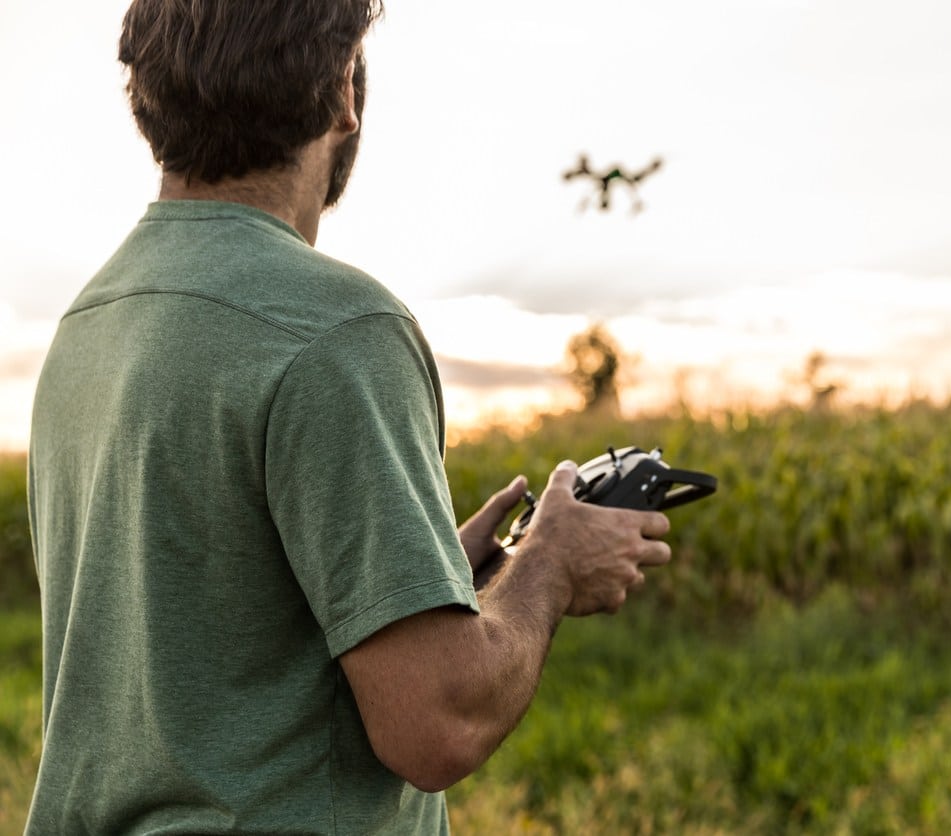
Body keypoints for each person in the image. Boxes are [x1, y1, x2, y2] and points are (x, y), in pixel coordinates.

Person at [24, 1, 671, 833]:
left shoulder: (91, 323)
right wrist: (550, 566)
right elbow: (438, 721)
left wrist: (428, 582)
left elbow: (202, 631)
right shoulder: (335, 328)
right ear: (341, 93)